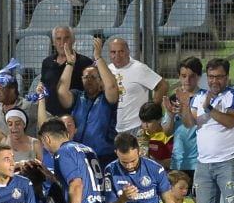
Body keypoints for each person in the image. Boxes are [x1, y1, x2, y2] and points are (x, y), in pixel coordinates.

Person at [180, 58, 234, 203]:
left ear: (227, 76)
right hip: (203, 164)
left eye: (219, 77)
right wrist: (185, 107)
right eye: (211, 77)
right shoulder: (198, 97)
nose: (214, 81)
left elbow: (230, 121)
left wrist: (209, 108)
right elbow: (189, 123)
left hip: (231, 161)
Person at [57, 37, 119, 166]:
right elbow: (62, 92)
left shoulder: (107, 99)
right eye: (86, 77)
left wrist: (98, 58)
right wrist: (69, 63)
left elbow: (112, 86)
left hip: (104, 155)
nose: (89, 80)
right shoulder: (77, 96)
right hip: (79, 154)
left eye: (93, 77)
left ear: (101, 80)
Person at [107, 38, 169, 134]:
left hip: (136, 127)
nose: (117, 56)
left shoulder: (139, 68)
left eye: (121, 51)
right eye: (113, 52)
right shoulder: (107, 70)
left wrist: (152, 110)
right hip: (113, 128)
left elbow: (162, 85)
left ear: (128, 51)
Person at [162, 56, 201, 186]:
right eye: (183, 76)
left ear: (199, 77)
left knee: (198, 202)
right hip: (177, 161)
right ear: (179, 76)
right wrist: (170, 116)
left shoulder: (204, 98)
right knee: (177, 202)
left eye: (192, 76)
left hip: (199, 161)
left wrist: (185, 110)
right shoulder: (174, 99)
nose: (187, 80)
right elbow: (167, 132)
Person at [40, 26, 94, 116]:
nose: (62, 43)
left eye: (66, 38)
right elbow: (44, 86)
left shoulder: (85, 62)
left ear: (73, 40)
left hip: (74, 118)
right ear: (53, 42)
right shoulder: (47, 62)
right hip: (50, 116)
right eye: (58, 39)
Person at [139, 101, 173, 170]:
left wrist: (155, 162)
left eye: (149, 122)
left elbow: (174, 162)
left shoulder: (168, 136)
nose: (145, 126)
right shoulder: (142, 134)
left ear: (159, 120)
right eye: (143, 121)